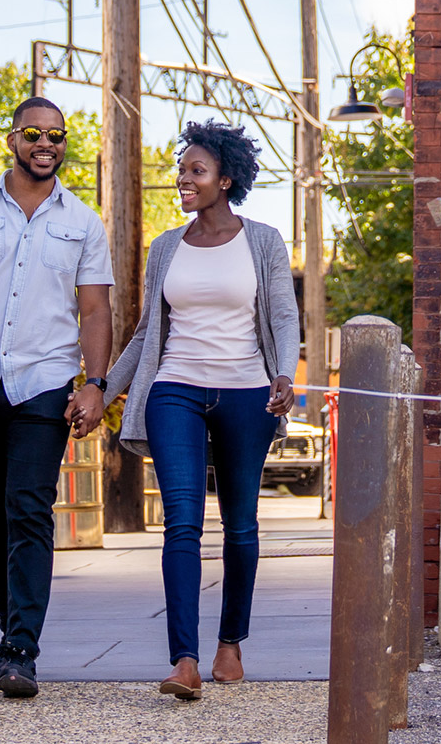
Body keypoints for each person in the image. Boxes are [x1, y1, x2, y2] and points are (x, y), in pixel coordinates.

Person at [77, 119, 298, 701]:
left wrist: (284, 376)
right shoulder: (166, 247)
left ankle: (230, 644)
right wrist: (101, 386)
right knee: (181, 521)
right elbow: (148, 331)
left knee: (241, 525)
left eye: (195, 171)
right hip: (174, 387)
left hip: (248, 391)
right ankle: (184, 660)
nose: (183, 180)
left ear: (225, 179)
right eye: (181, 170)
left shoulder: (265, 241)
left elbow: (281, 315)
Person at [0, 96, 113, 698]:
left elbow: (95, 308)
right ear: (12, 138)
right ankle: (9, 630)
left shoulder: (83, 222)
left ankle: (21, 648)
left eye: (58, 135)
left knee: (28, 508)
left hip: (45, 382)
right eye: (35, 133)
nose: (47, 143)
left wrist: (95, 383)